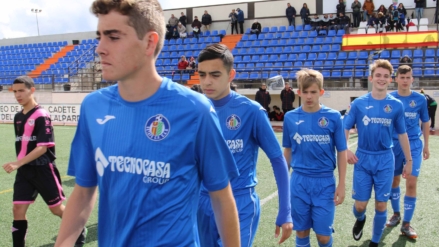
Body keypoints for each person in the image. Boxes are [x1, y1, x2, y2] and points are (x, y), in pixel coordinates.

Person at [54, 1, 240, 246]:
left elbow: (221, 197)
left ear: (149, 42)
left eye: (113, 37)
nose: (99, 48)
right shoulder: (93, 106)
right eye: (99, 37)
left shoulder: (195, 110)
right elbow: (83, 191)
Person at [198, 43, 292, 247]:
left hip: (239, 202)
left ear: (231, 75)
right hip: (201, 202)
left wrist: (285, 210)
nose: (207, 81)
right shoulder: (194, 109)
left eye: (215, 75)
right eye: (202, 74)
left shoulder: (251, 111)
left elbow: (277, 159)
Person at [2, 76, 87, 247]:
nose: (18, 95)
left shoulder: (42, 115)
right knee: (18, 209)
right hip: (25, 171)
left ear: (32, 90)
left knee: (56, 209)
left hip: (43, 169)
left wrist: (18, 163)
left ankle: (78, 229)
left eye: (21, 91)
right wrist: (21, 164)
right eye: (15, 91)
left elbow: (42, 148)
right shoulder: (18, 116)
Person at [344, 59, 413, 247]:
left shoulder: (396, 105)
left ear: (390, 79)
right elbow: (345, 127)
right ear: (371, 78)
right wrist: (346, 149)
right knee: (360, 205)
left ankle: (374, 242)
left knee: (382, 204)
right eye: (378, 75)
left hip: (385, 159)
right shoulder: (358, 103)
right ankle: (361, 218)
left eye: (385, 76)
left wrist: (409, 160)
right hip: (363, 158)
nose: (382, 79)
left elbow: (403, 134)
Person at [283, 69, 347, 247]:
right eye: (305, 92)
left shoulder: (333, 117)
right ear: (299, 92)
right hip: (299, 181)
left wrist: (341, 184)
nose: (309, 96)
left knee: (323, 236)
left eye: (313, 92)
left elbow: (341, 152)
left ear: (321, 92)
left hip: (324, 182)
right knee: (301, 231)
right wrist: (283, 182)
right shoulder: (290, 117)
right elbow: (287, 151)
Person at [385, 65, 430, 239]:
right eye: (401, 77)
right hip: (394, 144)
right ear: (396, 79)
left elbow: (425, 122)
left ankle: (407, 224)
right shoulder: (389, 98)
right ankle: (396, 214)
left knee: (411, 182)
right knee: (394, 180)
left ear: (412, 79)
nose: (405, 80)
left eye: (408, 77)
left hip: (414, 144)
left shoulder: (419, 99)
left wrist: (426, 145)